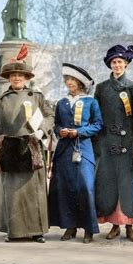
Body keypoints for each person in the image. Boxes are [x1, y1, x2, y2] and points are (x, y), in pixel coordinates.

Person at [0, 59, 54, 243]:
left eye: (20, 75)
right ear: (9, 78)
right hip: (8, 149)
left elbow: (49, 116)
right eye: (13, 75)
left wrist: (42, 130)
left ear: (26, 78)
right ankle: (14, 231)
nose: (17, 78)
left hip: (32, 147)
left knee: (35, 192)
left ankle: (37, 231)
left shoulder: (37, 97)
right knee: (12, 192)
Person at [94, 45, 133, 242]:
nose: (117, 66)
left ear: (126, 64)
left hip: (128, 143)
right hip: (107, 142)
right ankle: (115, 225)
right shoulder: (101, 88)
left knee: (127, 185)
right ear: (110, 65)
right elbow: (95, 117)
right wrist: (98, 142)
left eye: (120, 62)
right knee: (109, 184)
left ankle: (129, 225)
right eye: (114, 62)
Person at [48, 63, 103, 243]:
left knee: (85, 187)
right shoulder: (61, 102)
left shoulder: (90, 102)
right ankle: (70, 227)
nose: (69, 82)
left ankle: (89, 228)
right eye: (67, 79)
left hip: (83, 149)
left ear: (80, 82)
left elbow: (97, 124)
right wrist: (60, 131)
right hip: (64, 151)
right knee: (65, 188)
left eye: (72, 80)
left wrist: (79, 132)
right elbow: (56, 123)